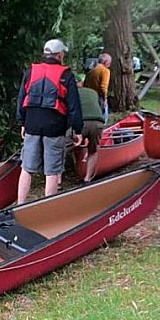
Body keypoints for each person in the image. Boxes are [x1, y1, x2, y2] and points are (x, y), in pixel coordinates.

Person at [16, 39, 83, 204]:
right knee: (52, 171)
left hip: (32, 125)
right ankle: (48, 207)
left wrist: (22, 122)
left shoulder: (30, 72)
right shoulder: (66, 76)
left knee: (27, 168)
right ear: (59, 55)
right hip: (54, 128)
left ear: (45, 54)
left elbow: (21, 99)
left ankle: (20, 204)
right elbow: (74, 106)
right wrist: (78, 130)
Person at [77, 86, 105, 183]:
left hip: (81, 123)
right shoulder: (93, 92)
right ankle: (87, 178)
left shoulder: (71, 92)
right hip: (98, 123)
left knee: (60, 150)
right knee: (93, 151)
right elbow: (101, 108)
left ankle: (58, 181)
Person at [84, 53, 112, 123]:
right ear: (105, 62)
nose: (110, 65)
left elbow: (85, 84)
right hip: (99, 98)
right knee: (104, 117)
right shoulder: (105, 71)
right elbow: (103, 87)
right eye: (109, 62)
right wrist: (105, 99)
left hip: (90, 97)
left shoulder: (92, 71)